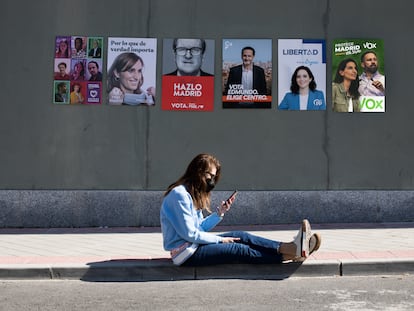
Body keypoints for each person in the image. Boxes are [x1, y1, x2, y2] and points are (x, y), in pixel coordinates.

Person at [160, 153, 321, 266]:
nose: (212, 181)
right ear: (198, 172)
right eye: (210, 176)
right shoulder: (179, 195)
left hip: (194, 246)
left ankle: (290, 249)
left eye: (214, 177)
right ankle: (293, 252)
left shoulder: (191, 194)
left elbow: (199, 228)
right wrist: (220, 240)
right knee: (237, 248)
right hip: (186, 254)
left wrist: (219, 213)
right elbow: (190, 234)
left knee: (240, 235)